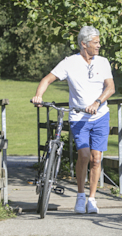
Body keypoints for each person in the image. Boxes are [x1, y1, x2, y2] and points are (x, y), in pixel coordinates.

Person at [31, 26, 115, 214]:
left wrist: (97, 102)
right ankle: (80, 196)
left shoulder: (103, 62)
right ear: (84, 44)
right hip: (79, 118)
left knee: (96, 158)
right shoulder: (69, 63)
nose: (99, 45)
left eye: (99, 42)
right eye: (95, 42)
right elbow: (47, 79)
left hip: (100, 116)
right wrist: (38, 95)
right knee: (84, 156)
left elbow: (111, 88)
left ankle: (92, 199)